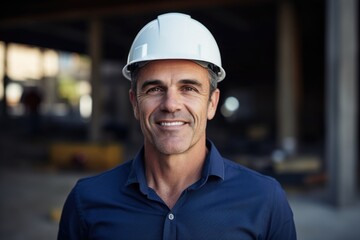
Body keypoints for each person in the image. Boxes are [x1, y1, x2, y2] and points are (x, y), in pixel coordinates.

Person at [58, 12, 297, 239]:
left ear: (212, 103)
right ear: (134, 103)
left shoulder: (265, 200)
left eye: (189, 89)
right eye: (154, 89)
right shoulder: (86, 202)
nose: (171, 104)